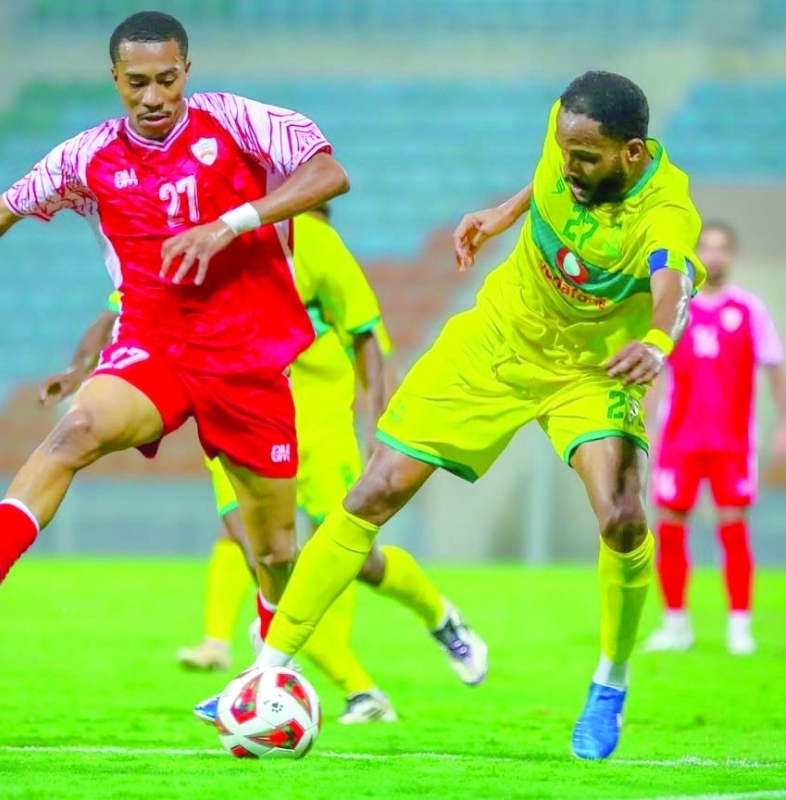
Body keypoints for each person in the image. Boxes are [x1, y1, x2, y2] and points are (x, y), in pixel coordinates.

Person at [210, 70, 706, 761]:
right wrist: (505, 212)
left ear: (631, 153)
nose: (570, 165)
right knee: (376, 488)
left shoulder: (668, 213)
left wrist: (655, 343)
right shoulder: (569, 130)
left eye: (587, 159)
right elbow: (552, 177)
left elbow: (671, 288)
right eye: (565, 151)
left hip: (591, 371)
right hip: (496, 341)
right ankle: (268, 666)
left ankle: (610, 681)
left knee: (623, 516)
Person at [0, 11, 350, 635]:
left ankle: (272, 665)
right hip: (155, 347)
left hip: (248, 357)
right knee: (76, 429)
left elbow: (329, 173)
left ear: (187, 71)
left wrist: (228, 224)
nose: (153, 97)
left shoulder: (238, 121)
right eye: (137, 82)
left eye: (166, 80)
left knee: (274, 551)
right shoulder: (88, 157)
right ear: (114, 78)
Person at [41, 207, 487, 726]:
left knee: (355, 560)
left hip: (317, 422)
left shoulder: (311, 238)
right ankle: (343, 689)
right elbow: (122, 309)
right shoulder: (195, 233)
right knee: (260, 558)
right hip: (232, 414)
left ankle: (440, 619)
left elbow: (364, 332)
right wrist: (79, 367)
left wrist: (378, 423)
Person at [643, 221, 786, 656]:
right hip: (678, 440)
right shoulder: (675, 310)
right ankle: (675, 625)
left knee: (734, 530)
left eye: (722, 247)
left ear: (733, 255)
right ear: (695, 254)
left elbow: (774, 367)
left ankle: (739, 627)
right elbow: (654, 370)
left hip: (731, 443)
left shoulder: (749, 309)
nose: (714, 255)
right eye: (706, 247)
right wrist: (646, 427)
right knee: (670, 530)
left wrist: (783, 425)